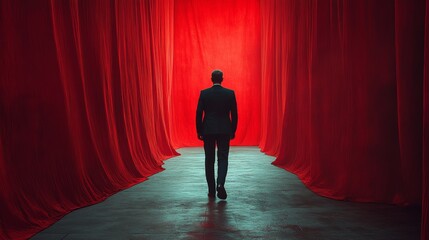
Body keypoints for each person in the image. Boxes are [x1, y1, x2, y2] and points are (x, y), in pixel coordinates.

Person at [196, 69, 238, 200]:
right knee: (223, 158)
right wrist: (233, 130)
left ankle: (211, 190)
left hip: (208, 130)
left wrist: (199, 130)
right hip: (225, 129)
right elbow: (234, 114)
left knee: (209, 160)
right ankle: (220, 184)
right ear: (222, 79)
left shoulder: (204, 94)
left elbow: (198, 114)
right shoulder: (230, 94)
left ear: (211, 79)